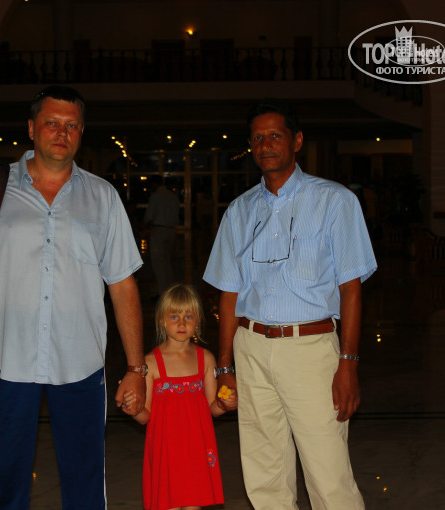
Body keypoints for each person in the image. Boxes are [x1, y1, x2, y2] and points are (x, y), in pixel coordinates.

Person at [0, 85, 147, 509]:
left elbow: (123, 286)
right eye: (52, 123)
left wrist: (136, 369)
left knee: (85, 482)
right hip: (8, 358)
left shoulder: (102, 197)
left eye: (71, 125)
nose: (61, 133)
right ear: (32, 128)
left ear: (82, 132)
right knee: (2, 482)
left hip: (81, 362)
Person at [203, 98, 377, 510]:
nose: (265, 145)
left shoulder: (334, 201)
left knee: (329, 476)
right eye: (257, 138)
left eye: (274, 136)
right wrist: (225, 366)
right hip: (251, 349)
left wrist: (348, 363)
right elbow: (228, 294)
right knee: (265, 477)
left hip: (311, 350)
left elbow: (351, 289)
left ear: (297, 141)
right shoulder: (239, 211)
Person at [121, 283, 237, 510]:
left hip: (196, 451)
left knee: (194, 505)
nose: (182, 323)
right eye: (174, 317)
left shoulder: (206, 359)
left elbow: (212, 408)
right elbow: (145, 416)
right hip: (166, 452)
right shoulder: (150, 363)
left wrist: (225, 404)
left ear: (198, 321)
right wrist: (132, 408)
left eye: (188, 317)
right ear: (162, 320)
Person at [143, 174, 180, 297]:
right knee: (167, 261)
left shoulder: (155, 196)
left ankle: (162, 290)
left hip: (158, 230)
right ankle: (169, 287)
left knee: (158, 263)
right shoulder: (173, 196)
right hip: (171, 231)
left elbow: (149, 216)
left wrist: (144, 224)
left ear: (154, 184)